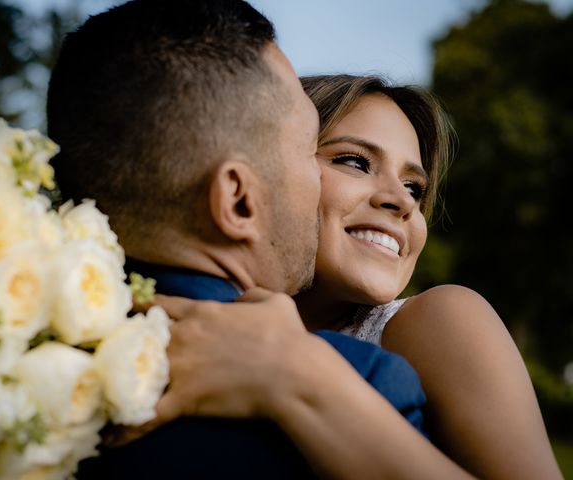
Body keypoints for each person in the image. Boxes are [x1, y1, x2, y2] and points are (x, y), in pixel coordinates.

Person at [46, 1, 456, 478]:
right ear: (239, 200)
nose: (402, 202)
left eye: (415, 189)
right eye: (315, 154)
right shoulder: (367, 385)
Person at [140, 74, 563, 479]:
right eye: (356, 162)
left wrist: (297, 376)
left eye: (415, 187)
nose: (402, 202)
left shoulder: (443, 319)